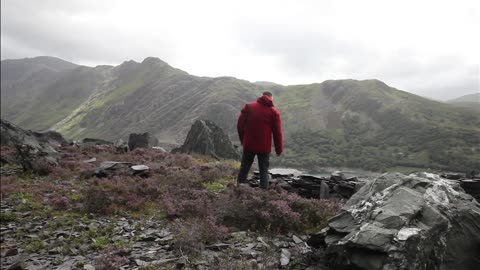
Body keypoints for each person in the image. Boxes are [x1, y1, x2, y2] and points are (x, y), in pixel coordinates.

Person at [236, 91, 283, 189]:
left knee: (245, 166)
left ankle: (239, 188)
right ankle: (263, 193)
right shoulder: (274, 112)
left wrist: (242, 140)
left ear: (261, 96)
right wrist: (279, 149)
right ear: (271, 98)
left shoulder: (249, 107)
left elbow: (240, 126)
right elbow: (277, 133)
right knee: (264, 170)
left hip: (249, 144)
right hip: (264, 147)